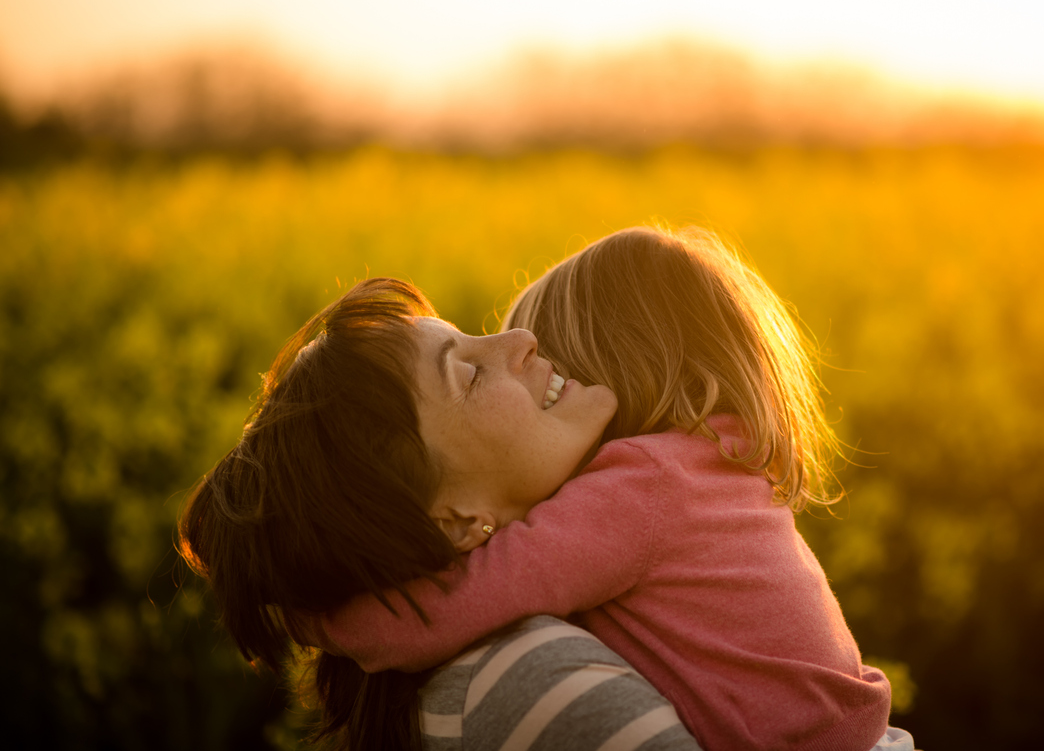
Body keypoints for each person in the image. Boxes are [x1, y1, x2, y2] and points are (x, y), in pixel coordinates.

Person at [307, 226, 910, 751]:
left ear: (605, 366)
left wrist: (331, 626)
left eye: (553, 367)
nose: (527, 359)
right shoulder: (718, 466)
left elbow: (484, 589)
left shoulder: (642, 484)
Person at [178, 277, 701, 750]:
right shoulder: (539, 681)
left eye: (473, 335)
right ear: (454, 522)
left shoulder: (446, 679)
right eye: (469, 376)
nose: (522, 339)